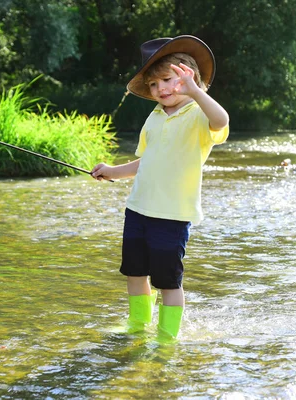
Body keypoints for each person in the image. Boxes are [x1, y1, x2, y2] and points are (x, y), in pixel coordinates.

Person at [91, 35, 230, 340]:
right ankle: (138, 324)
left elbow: (222, 120)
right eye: (153, 85)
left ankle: (167, 336)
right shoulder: (154, 117)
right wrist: (113, 171)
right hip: (138, 209)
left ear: (189, 78)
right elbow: (146, 162)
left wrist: (195, 92)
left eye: (168, 80)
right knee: (134, 272)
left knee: (168, 281)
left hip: (172, 214)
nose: (160, 89)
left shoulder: (199, 116)